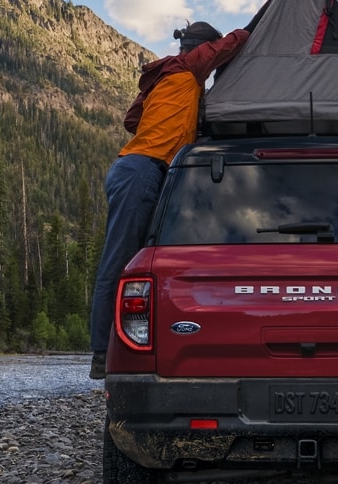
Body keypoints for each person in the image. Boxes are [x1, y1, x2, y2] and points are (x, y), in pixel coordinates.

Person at [89, 21, 249, 378]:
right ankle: (102, 353)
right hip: (143, 169)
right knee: (118, 265)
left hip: (134, 168)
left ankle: (119, 348)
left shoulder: (166, 75)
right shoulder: (190, 65)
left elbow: (133, 120)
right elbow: (237, 41)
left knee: (135, 261)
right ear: (200, 48)